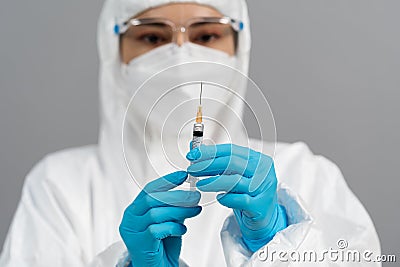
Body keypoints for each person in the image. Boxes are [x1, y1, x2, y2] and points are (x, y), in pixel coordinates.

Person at [0, 0, 381, 266]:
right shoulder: (59, 185)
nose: (181, 56)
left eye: (206, 36)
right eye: (152, 38)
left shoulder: (306, 173)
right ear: (113, 52)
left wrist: (278, 242)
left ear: (239, 46)